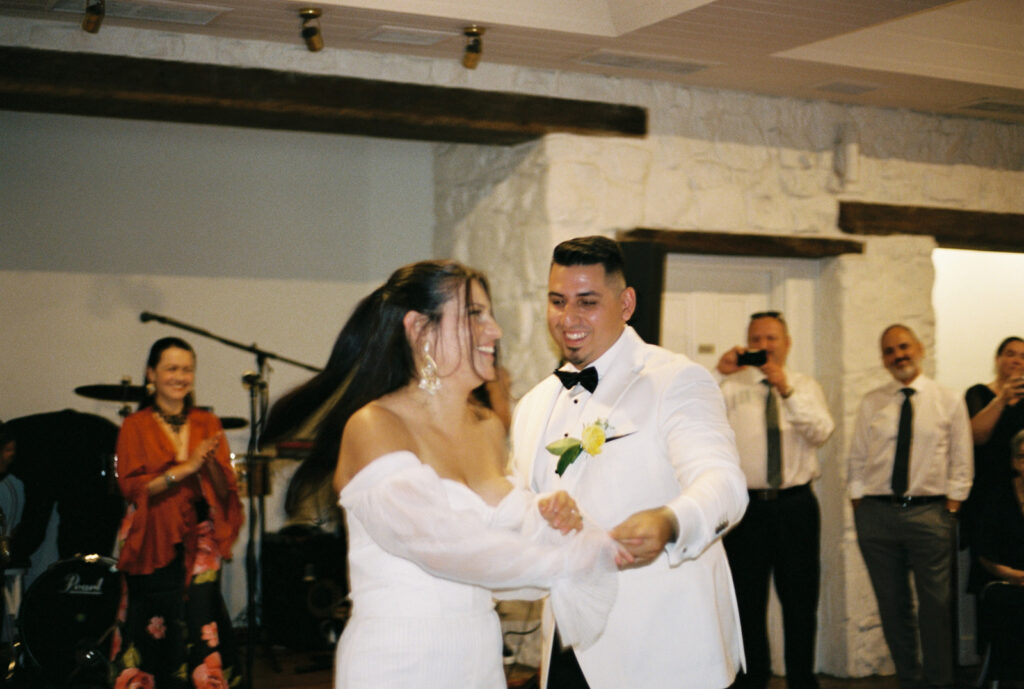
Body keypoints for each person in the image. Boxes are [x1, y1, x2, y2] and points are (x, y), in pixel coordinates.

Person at [326, 260, 623, 689]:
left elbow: (505, 535)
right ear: (419, 329)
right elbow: (447, 546)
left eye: (490, 313)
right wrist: (571, 561)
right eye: (474, 314)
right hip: (397, 658)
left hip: (477, 655)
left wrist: (550, 519)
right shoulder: (375, 425)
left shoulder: (486, 429)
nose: (495, 330)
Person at [511, 235, 749, 689]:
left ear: (626, 303)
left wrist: (669, 521)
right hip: (567, 648)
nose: (569, 319)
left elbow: (723, 482)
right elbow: (520, 508)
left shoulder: (676, 380)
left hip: (665, 650)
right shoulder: (534, 405)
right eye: (558, 301)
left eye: (587, 302)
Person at [110, 336, 244, 688]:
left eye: (187, 369)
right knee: (155, 623)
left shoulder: (207, 422)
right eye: (172, 368)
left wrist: (210, 467)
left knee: (200, 617)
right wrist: (184, 468)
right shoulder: (134, 426)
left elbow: (224, 487)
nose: (180, 376)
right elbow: (132, 487)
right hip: (149, 538)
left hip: (199, 538)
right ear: (151, 374)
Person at [848, 324, 973, 689]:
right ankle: (909, 679)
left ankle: (939, 682)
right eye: (889, 350)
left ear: (918, 348)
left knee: (935, 608)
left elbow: (961, 460)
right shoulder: (873, 401)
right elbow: (857, 458)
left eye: (903, 346)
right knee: (892, 607)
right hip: (877, 515)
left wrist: (950, 508)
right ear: (883, 359)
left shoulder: (947, 399)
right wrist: (859, 502)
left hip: (929, 514)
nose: (898, 355)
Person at [716, 311, 834, 689]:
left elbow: (821, 432)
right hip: (746, 509)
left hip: (795, 506)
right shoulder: (729, 387)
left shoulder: (804, 385)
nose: (764, 346)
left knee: (800, 599)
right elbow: (696, 417)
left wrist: (785, 387)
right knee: (747, 603)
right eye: (756, 339)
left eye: (771, 338)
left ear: (787, 343)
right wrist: (719, 372)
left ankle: (802, 679)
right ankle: (754, 680)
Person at [963, 337, 1024, 588]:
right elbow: (974, 437)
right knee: (989, 559)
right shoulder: (978, 393)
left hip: (1020, 490)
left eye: (1022, 356)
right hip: (987, 491)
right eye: (1010, 353)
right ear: (997, 359)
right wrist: (1002, 399)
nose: (1016, 360)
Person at [974, 428, 1024, 683]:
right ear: (1015, 461)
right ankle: (1004, 680)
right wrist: (1015, 576)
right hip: (1006, 581)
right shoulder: (998, 498)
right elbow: (985, 553)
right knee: (1009, 604)